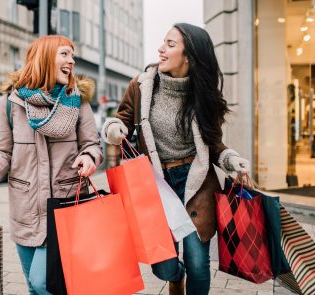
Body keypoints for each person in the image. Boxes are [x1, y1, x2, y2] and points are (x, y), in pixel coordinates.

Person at [101, 23, 249, 295]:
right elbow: (120, 119)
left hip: (196, 184)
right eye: (163, 42)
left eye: (170, 44)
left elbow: (214, 143)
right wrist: (113, 129)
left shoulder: (203, 94)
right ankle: (174, 277)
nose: (161, 49)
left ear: (189, 55)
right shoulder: (141, 86)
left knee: (197, 263)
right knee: (163, 264)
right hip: (155, 183)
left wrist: (231, 159)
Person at [0, 35, 103, 295]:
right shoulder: (12, 102)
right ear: (45, 57)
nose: (72, 61)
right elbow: (3, 151)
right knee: (33, 285)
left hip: (64, 207)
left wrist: (88, 157)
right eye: (65, 54)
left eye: (72, 55)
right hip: (25, 209)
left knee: (44, 283)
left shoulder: (78, 100)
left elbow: (92, 145)